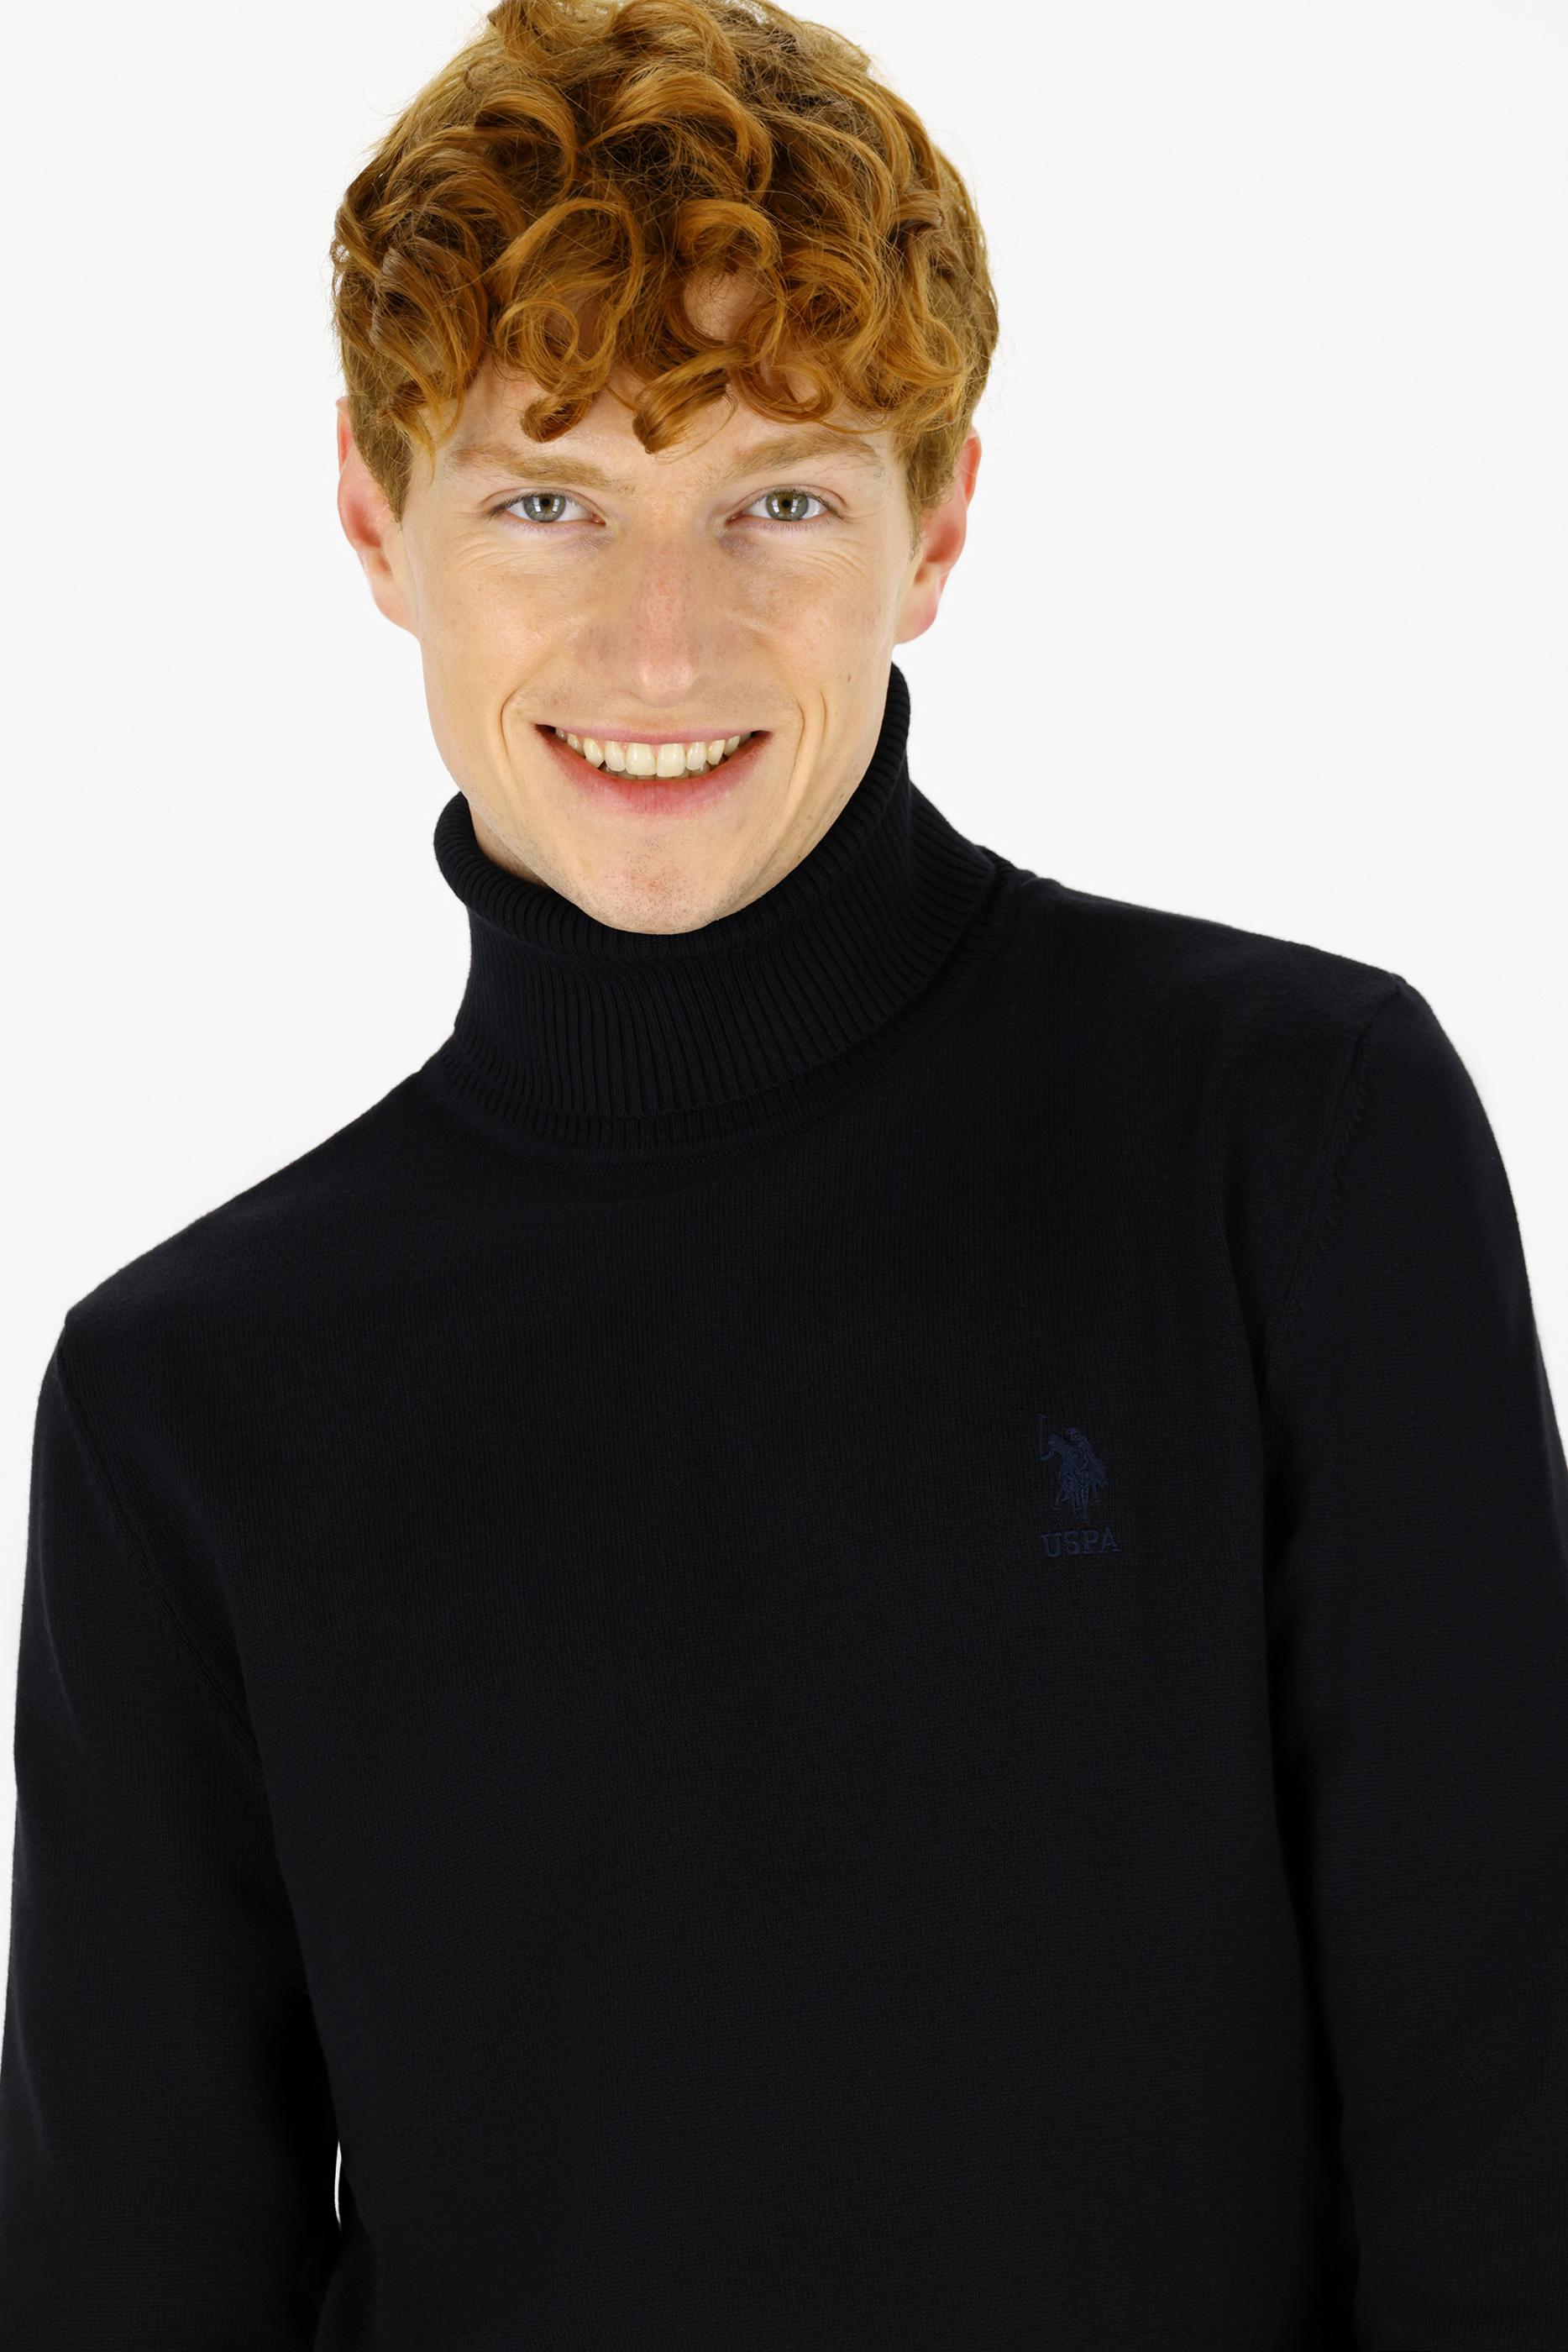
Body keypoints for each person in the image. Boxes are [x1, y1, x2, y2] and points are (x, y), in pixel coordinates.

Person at [3, 0, 1565, 2341]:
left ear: (939, 526)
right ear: (374, 518)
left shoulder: (1287, 1142)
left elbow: (1509, 2130)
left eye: (781, 500)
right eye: (547, 499)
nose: (664, 645)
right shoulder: (186, 1402)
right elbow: (131, 2284)